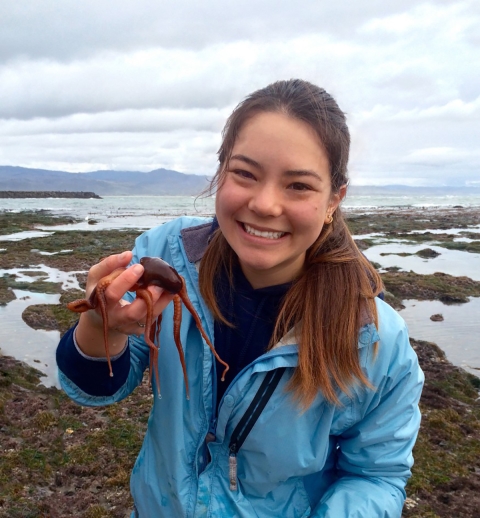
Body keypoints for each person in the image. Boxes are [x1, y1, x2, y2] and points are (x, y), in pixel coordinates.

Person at [56, 79, 424, 517]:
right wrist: (99, 326)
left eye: (299, 186)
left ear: (334, 200)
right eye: (245, 174)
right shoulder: (165, 261)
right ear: (220, 173)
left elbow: (376, 476)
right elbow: (95, 388)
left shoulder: (375, 340)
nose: (265, 204)